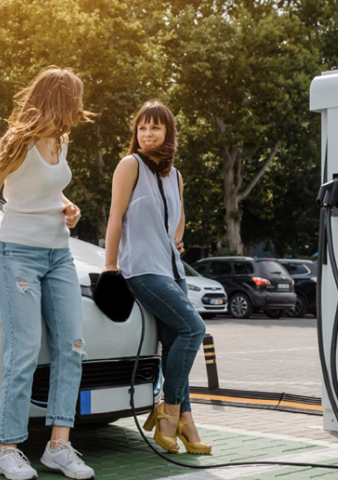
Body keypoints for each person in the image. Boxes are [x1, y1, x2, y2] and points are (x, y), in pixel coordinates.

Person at [0, 67, 95, 480]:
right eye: (74, 100)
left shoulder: (61, 139)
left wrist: (68, 205)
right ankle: (6, 448)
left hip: (59, 253)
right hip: (17, 253)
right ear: (61, 99)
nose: (79, 109)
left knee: (72, 347)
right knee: (24, 351)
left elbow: (45, 188)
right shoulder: (16, 141)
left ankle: (58, 445)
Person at [103, 100, 211, 455]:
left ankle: (183, 422)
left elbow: (178, 216)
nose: (147, 134)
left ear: (169, 133)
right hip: (142, 268)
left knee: (176, 349)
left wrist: (176, 238)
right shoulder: (129, 165)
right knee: (193, 329)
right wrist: (110, 265)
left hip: (172, 269)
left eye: (155, 128)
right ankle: (170, 412)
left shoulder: (174, 175)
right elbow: (115, 216)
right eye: (142, 128)